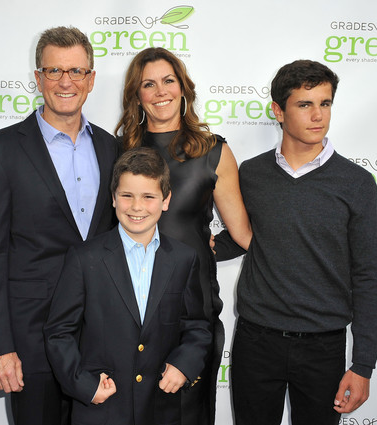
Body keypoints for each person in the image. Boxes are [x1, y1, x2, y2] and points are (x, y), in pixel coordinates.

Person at [0, 26, 118, 425]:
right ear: (38, 78)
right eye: (54, 71)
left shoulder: (112, 148)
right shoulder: (1, 150)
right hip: (30, 339)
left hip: (99, 337)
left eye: (76, 71)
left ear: (91, 79)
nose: (65, 82)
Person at [231, 59, 377, 425]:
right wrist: (194, 243)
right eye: (305, 104)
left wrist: (363, 365)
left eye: (325, 103)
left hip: (323, 346)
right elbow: (246, 236)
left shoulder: (356, 182)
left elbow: (368, 274)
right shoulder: (251, 173)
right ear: (278, 111)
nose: (318, 115)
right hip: (256, 341)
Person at [115, 47, 251, 424]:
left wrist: (206, 247)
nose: (160, 91)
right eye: (149, 84)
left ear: (183, 88)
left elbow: (243, 234)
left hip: (193, 311)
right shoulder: (119, 150)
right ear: (136, 95)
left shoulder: (214, 152)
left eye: (168, 81)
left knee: (190, 415)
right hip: (129, 309)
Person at [44, 147, 211, 425]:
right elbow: (59, 332)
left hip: (160, 408)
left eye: (148, 197)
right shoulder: (85, 258)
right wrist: (84, 384)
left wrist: (184, 364)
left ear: (166, 200)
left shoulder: (184, 259)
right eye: (127, 196)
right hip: (102, 409)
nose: (136, 207)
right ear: (113, 198)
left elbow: (197, 326)